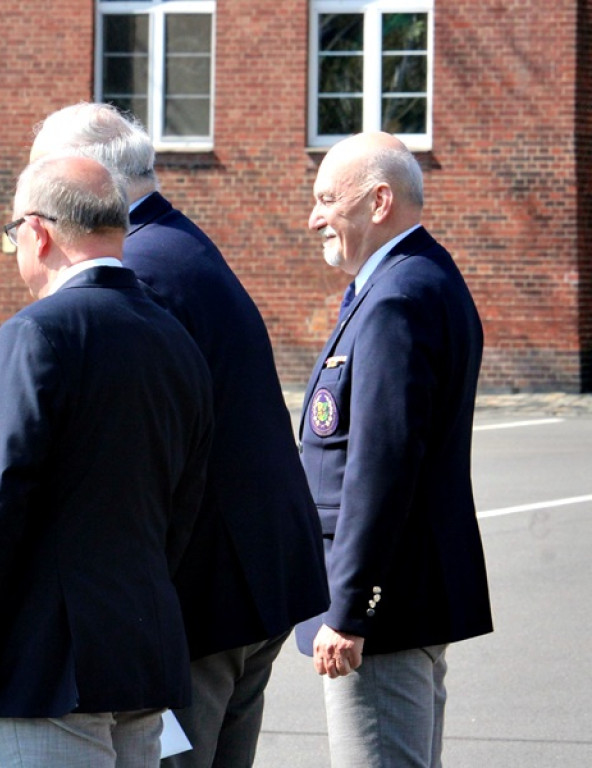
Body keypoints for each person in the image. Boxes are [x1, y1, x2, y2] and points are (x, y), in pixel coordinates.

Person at [30, 103, 329, 767]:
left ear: (90, 183)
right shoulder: (175, 242)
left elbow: (84, 422)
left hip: (204, 590)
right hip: (252, 577)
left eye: (44, 181)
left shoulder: (135, 268)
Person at [0, 153, 214, 768]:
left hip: (43, 667)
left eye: (14, 234)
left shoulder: (36, 333)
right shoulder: (174, 337)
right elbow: (184, 504)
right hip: (140, 653)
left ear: (38, 232)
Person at [295, 131, 493, 767]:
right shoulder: (413, 278)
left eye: (328, 199)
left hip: (384, 614)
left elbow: (381, 467)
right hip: (404, 597)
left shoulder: (397, 299)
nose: (314, 218)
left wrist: (351, 610)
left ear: (378, 201)